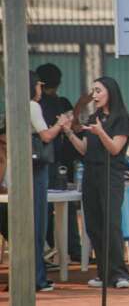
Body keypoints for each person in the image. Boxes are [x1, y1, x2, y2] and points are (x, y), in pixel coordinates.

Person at [62, 76, 129, 288]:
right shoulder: (94, 117)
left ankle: (120, 274)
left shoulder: (122, 119)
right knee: (93, 226)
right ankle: (103, 273)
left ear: (110, 92)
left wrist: (101, 132)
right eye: (93, 91)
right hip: (90, 174)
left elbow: (114, 149)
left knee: (111, 223)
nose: (95, 95)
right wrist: (68, 132)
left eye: (99, 90)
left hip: (110, 175)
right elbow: (84, 149)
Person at [35, 63, 83, 263]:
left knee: (44, 206)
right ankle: (74, 248)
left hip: (44, 160)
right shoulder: (60, 102)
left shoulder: (38, 104)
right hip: (61, 159)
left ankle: (49, 249)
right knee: (68, 205)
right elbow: (75, 126)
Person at [29, 71, 67, 291]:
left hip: (25, 168)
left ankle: (36, 274)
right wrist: (60, 123)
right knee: (38, 222)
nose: (41, 89)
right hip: (37, 168)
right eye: (39, 85)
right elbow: (45, 136)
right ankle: (38, 277)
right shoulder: (33, 106)